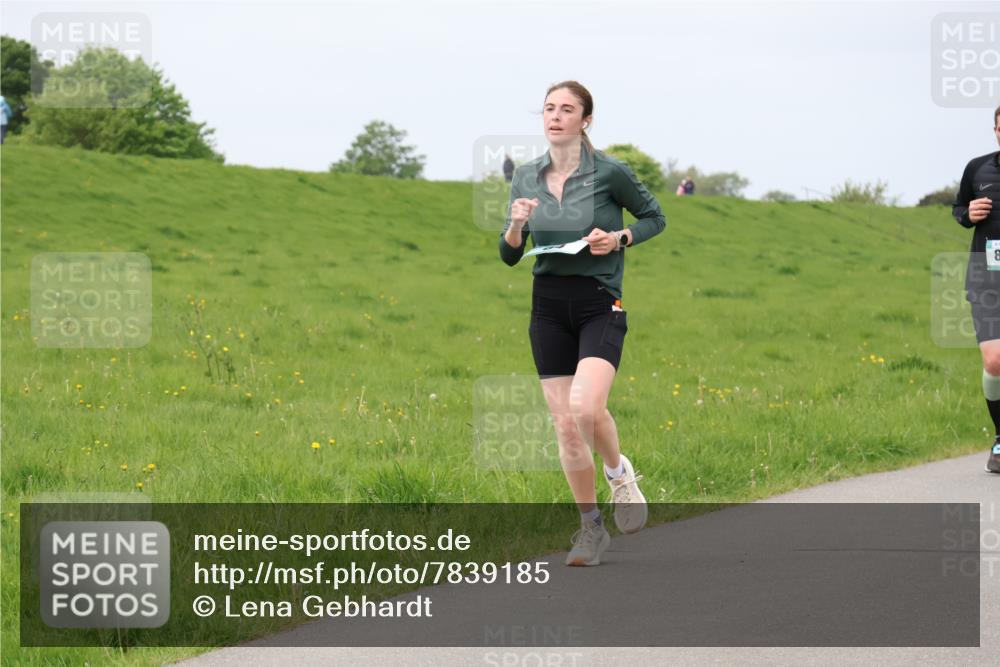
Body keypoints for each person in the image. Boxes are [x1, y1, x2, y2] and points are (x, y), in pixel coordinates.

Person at [498, 80, 667, 565]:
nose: (555, 116)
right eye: (549, 109)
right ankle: (590, 529)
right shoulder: (526, 177)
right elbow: (510, 255)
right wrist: (514, 225)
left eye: (566, 109)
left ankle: (619, 476)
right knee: (566, 427)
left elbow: (655, 217)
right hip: (547, 305)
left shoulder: (610, 172)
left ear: (585, 120)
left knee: (586, 408)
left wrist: (620, 239)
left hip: (598, 301)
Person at [952, 103, 1000, 474]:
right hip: (987, 280)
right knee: (994, 360)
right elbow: (958, 210)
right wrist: (969, 214)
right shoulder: (976, 168)